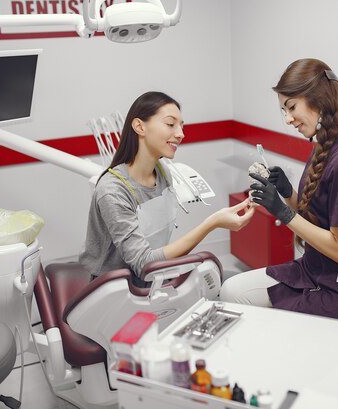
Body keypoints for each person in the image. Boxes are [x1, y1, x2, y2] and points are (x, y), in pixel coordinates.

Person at [219, 59, 338, 324]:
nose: (288, 119)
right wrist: (288, 193)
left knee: (270, 328)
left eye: (291, 107)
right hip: (314, 269)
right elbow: (316, 216)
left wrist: (282, 211)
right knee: (230, 291)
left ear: (318, 100)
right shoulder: (323, 145)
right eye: (284, 110)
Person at [79, 91, 254, 284]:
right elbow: (142, 263)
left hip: (158, 274)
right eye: (171, 124)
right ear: (139, 126)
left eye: (181, 126)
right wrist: (211, 224)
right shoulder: (112, 191)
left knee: (233, 281)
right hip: (116, 287)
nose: (180, 134)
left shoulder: (162, 173)